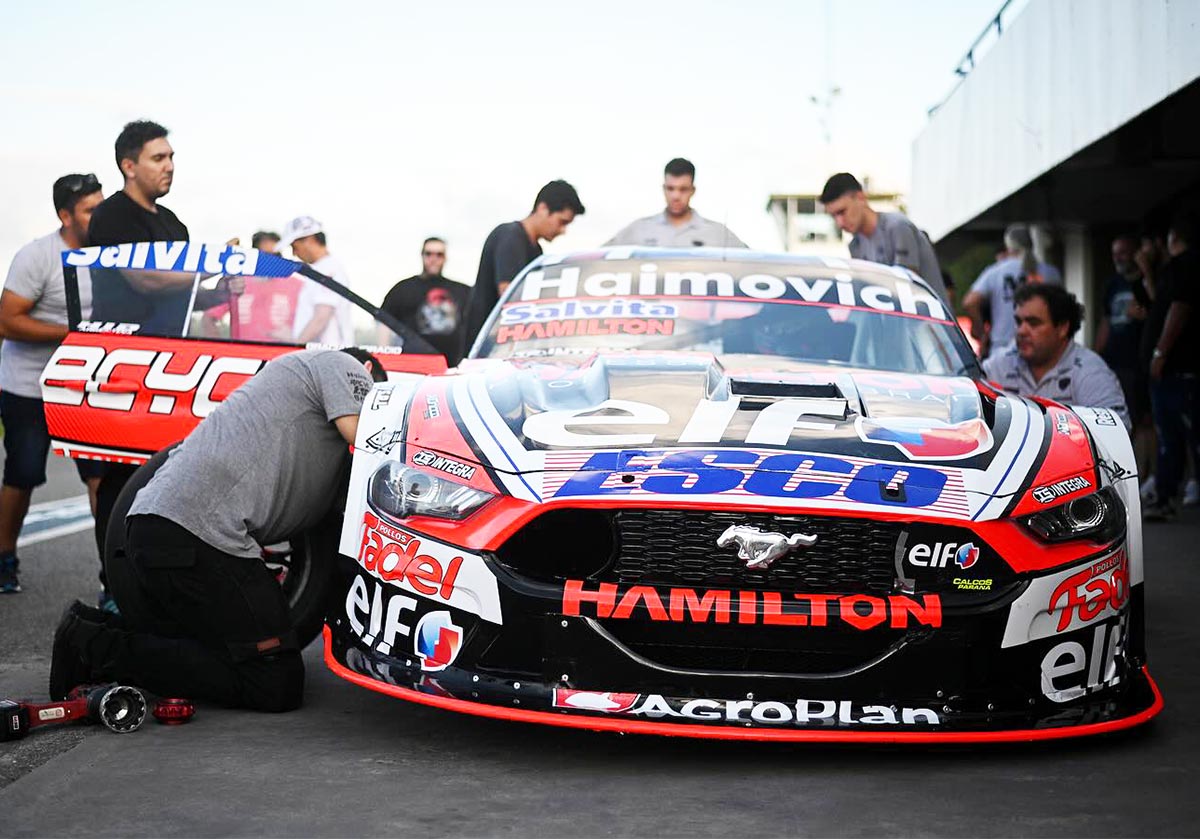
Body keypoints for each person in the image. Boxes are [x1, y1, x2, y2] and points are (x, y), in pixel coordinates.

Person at [48, 348, 386, 710]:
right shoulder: (342, 365)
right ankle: (91, 647)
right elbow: (367, 440)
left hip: (160, 527)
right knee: (275, 680)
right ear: (367, 372)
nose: (372, 401)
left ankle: (92, 626)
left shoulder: (303, 418)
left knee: (220, 648)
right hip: (199, 536)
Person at [0, 174, 107, 594]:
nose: (99, 217)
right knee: (23, 474)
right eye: (90, 210)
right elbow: (7, 321)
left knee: (100, 480)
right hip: (28, 386)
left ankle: (113, 578)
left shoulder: (109, 255)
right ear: (65, 216)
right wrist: (71, 334)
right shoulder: (37, 257)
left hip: (82, 387)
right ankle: (5, 559)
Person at [461, 180, 585, 353]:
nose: (562, 230)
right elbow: (511, 300)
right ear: (543, 209)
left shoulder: (535, 250)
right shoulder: (511, 236)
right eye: (562, 222)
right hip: (486, 351)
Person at [983, 284, 1129, 429]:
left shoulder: (1091, 371)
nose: (1021, 331)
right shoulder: (1000, 364)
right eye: (1018, 322)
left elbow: (1116, 431)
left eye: (1033, 323)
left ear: (1062, 328)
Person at [1142, 214, 1199, 521]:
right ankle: (1167, 494)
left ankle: (1165, 498)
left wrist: (1161, 352)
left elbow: (1178, 308)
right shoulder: (1172, 270)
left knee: (1174, 435)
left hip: (1178, 369)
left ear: (1172, 238)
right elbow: (1161, 303)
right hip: (1178, 369)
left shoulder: (1184, 264)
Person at [819, 172, 946, 299]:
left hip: (928, 317)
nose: (839, 223)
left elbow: (904, 287)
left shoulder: (898, 227)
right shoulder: (856, 245)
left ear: (860, 198)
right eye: (833, 216)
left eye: (842, 212)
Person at [962, 224, 1063, 358]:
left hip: (1002, 349)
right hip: (1041, 349)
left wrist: (980, 331)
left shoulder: (995, 272)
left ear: (1008, 246)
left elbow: (970, 302)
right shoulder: (1049, 273)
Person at [605, 158, 747, 249]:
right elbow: (598, 258)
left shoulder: (718, 234)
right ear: (663, 188)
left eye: (683, 189)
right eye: (670, 188)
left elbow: (754, 265)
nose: (676, 196)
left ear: (693, 190)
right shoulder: (638, 229)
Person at [380, 238, 470, 365]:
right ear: (422, 255)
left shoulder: (462, 291)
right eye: (429, 254)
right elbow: (384, 322)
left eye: (439, 254)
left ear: (445, 258)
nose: (433, 259)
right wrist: (385, 359)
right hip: (413, 365)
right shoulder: (403, 289)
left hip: (453, 364)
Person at [1094, 235, 1147, 427]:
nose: (1118, 258)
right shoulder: (1112, 284)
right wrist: (1096, 355)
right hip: (1114, 360)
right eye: (1115, 254)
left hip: (1138, 361)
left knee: (1140, 418)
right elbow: (1106, 321)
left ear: (1135, 253)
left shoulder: (1146, 282)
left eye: (1123, 253)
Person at [280, 216, 354, 345]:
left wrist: (296, 345)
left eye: (294, 247)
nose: (294, 253)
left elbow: (321, 316)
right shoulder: (322, 269)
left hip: (326, 357)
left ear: (309, 240)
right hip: (321, 356)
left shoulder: (328, 269)